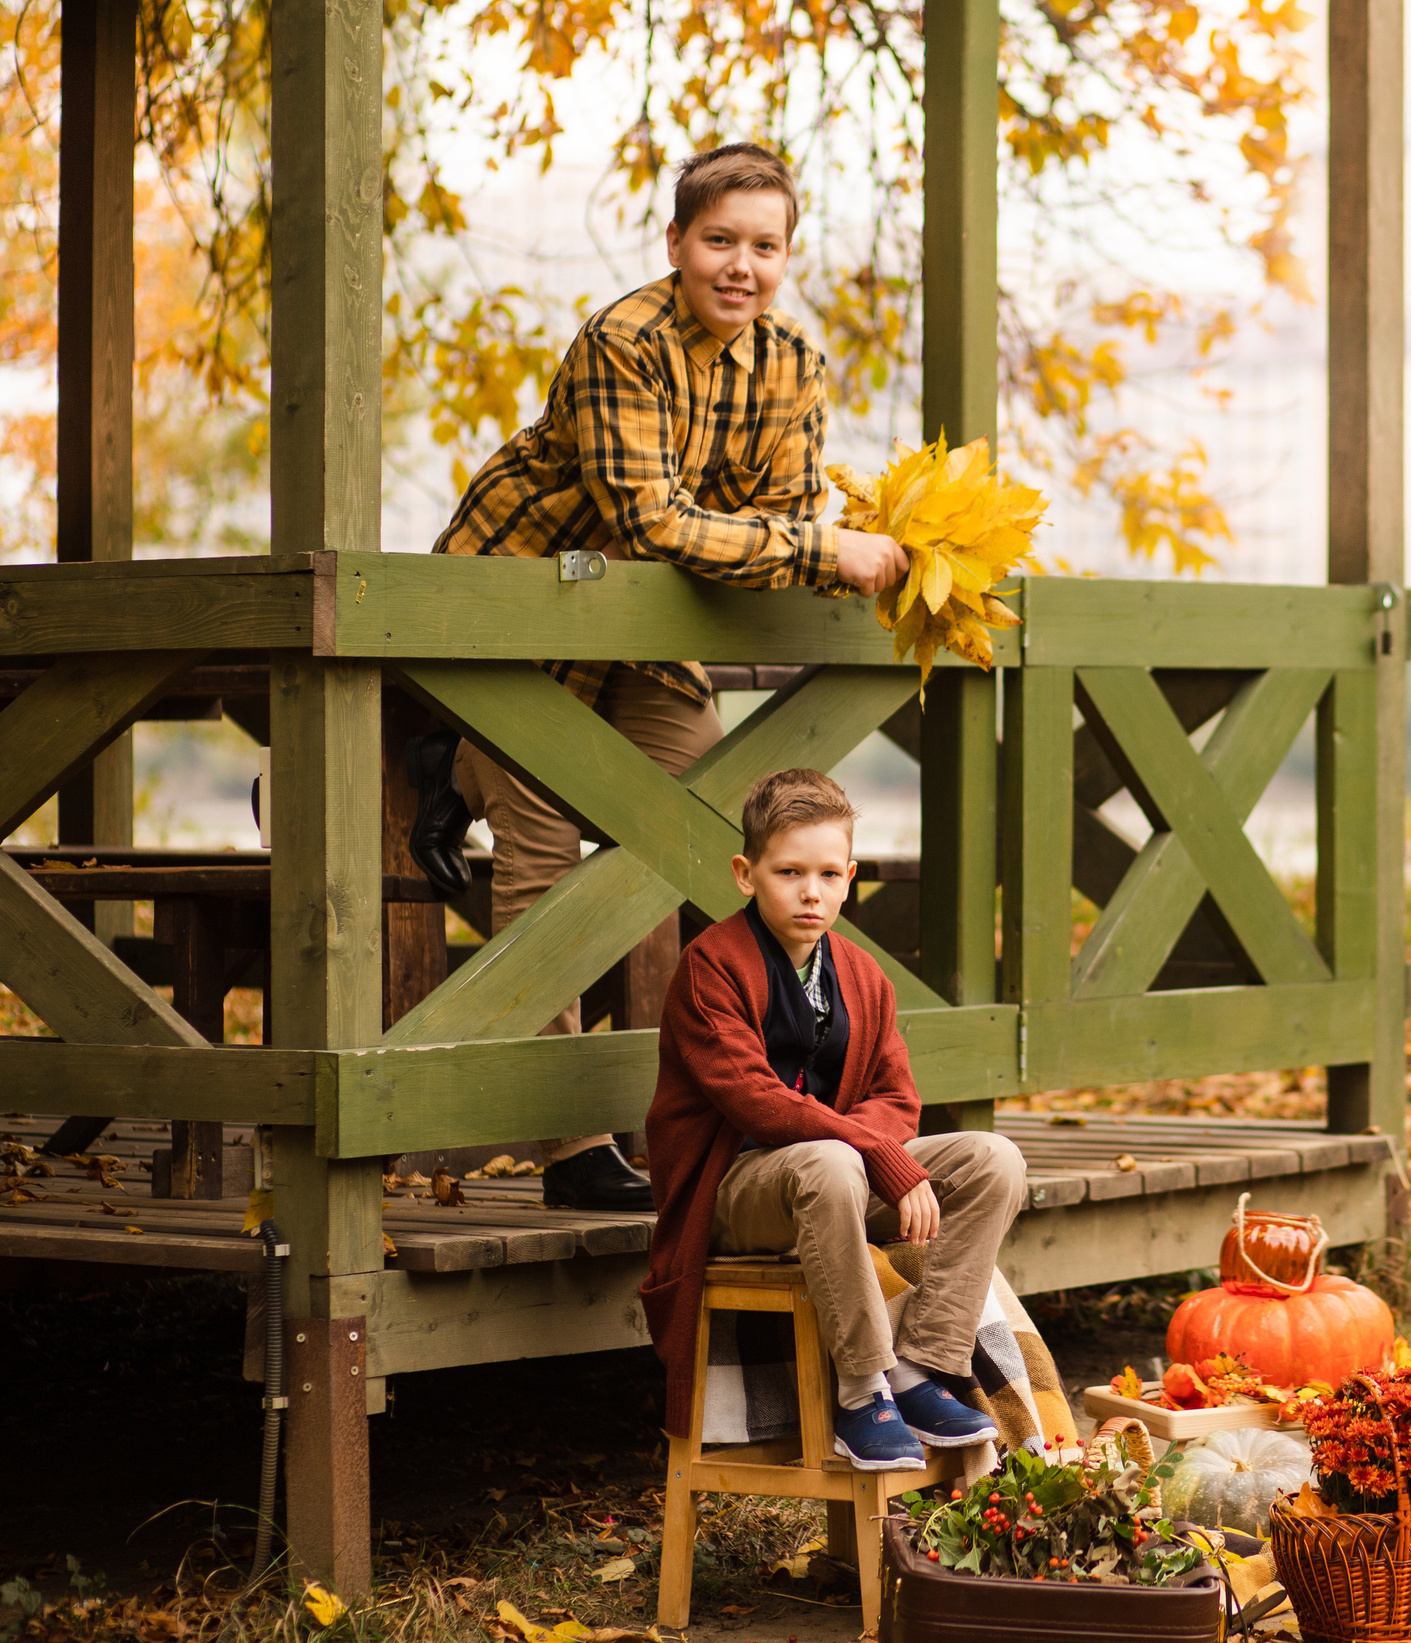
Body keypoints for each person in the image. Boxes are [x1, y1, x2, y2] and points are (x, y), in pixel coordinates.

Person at [409, 141, 911, 1212]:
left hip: (640, 623)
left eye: (764, 246)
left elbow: (771, 522)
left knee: (731, 833)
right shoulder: (621, 344)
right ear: (676, 243)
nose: (741, 265)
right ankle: (574, 1147)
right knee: (540, 861)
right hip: (527, 607)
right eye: (718, 239)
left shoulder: (793, 367)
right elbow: (653, 521)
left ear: (788, 256)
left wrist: (830, 548)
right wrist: (827, 553)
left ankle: (776, 1105)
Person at [638, 769, 1029, 1469]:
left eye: (827, 873)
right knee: (832, 1159)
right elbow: (755, 1097)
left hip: (838, 1180)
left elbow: (896, 1094)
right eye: (788, 871)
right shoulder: (711, 969)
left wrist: (877, 1149)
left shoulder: (861, 973)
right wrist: (878, 1153)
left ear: (849, 877)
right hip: (734, 1190)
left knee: (994, 1160)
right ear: (745, 872)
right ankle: (860, 1390)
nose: (810, 891)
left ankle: (923, 1365)